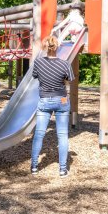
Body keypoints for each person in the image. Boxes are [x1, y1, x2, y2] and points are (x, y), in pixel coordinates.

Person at [30, 35, 75, 177]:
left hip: (44, 100)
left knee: (39, 134)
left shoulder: (38, 63)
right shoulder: (64, 63)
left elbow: (35, 76)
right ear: (57, 47)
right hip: (61, 100)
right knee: (62, 135)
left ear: (45, 47)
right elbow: (70, 79)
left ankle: (34, 167)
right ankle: (62, 169)